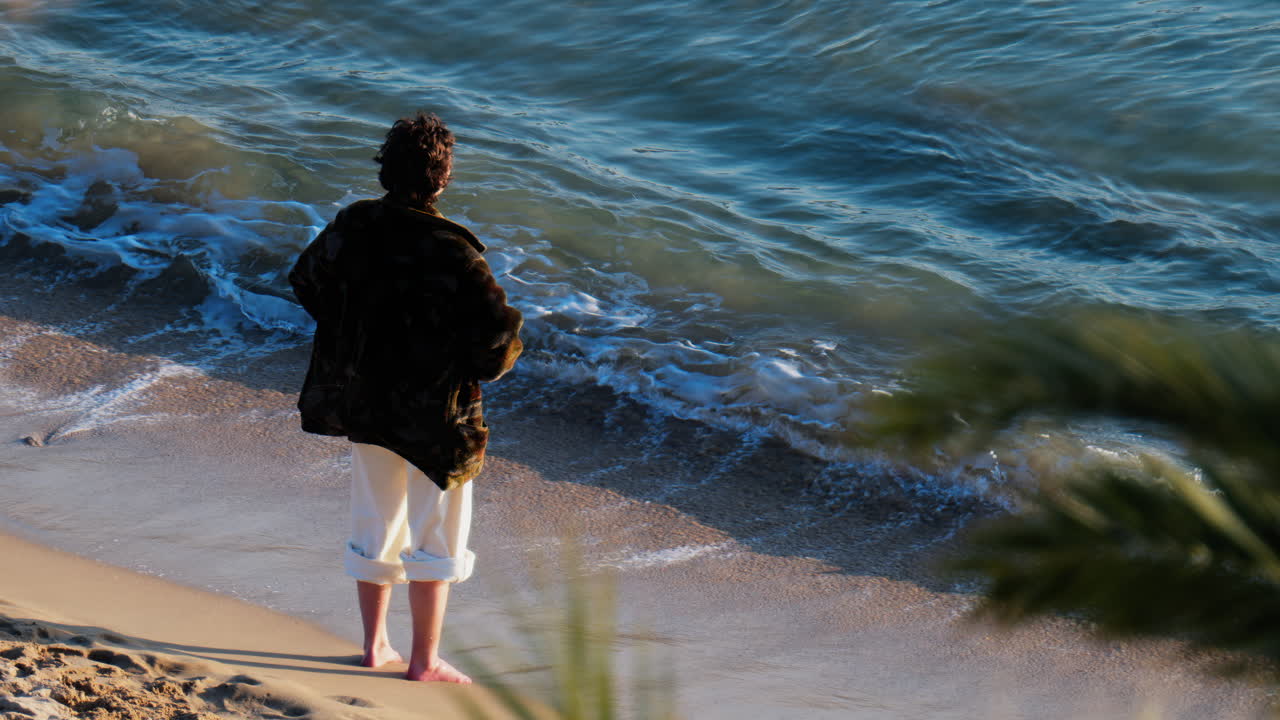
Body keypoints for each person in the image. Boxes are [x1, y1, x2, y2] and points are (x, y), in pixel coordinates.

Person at [289, 112, 523, 684]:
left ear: (385, 172)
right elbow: (499, 340)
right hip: (436, 416)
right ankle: (424, 661)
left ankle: (375, 648)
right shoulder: (453, 250)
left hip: (364, 397)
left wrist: (352, 335)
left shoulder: (354, 223)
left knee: (374, 522)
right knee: (436, 537)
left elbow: (305, 279)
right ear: (442, 179)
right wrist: (467, 365)